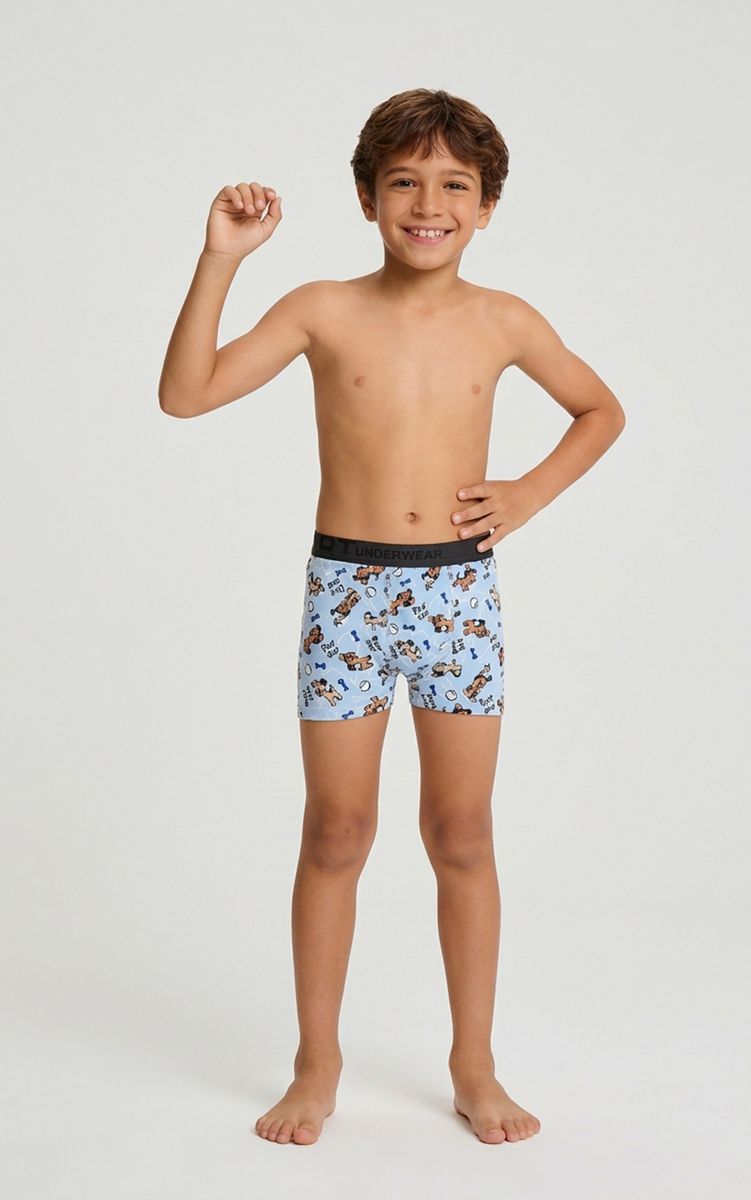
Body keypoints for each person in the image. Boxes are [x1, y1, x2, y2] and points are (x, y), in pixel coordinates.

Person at [158, 87, 625, 1146]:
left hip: (457, 595)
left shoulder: (505, 320)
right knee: (336, 829)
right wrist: (223, 259)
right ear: (367, 197)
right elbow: (186, 394)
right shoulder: (322, 308)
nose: (428, 204)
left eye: (454, 186)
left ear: (486, 206)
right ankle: (315, 1063)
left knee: (460, 831)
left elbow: (600, 410)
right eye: (404, 182)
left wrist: (528, 493)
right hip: (348, 595)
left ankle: (474, 1064)